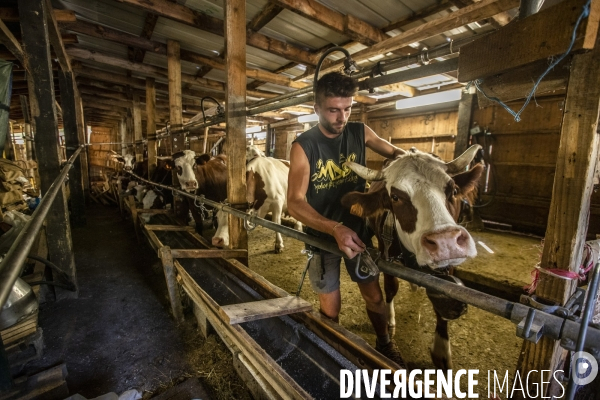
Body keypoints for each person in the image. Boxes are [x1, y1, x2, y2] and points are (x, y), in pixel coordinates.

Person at [287, 71, 406, 367]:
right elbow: (294, 202)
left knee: (375, 297)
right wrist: (334, 228)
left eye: (348, 108)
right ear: (317, 108)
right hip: (321, 236)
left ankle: (384, 344)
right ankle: (334, 349)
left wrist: (424, 166)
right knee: (330, 308)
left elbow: (399, 155)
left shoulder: (360, 132)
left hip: (358, 233)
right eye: (333, 110)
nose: (342, 117)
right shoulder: (303, 146)